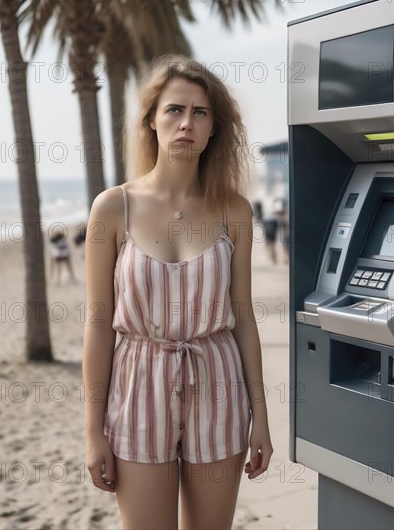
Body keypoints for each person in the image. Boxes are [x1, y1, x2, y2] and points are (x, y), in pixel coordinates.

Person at [82, 55, 273, 530]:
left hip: (219, 384)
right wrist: (92, 431)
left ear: (213, 130)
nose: (186, 123)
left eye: (200, 113)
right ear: (151, 120)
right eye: (174, 110)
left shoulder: (235, 211)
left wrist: (261, 417)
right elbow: (98, 323)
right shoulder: (112, 208)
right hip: (137, 385)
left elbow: (244, 318)